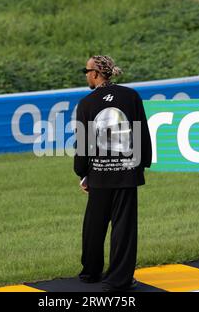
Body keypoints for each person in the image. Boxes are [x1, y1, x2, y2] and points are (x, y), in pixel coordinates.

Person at [74, 55, 152, 292]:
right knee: (123, 228)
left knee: (94, 225)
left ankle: (90, 272)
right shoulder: (131, 96)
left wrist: (82, 173)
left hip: (99, 173)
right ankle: (119, 278)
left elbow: (84, 143)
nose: (85, 75)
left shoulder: (87, 103)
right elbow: (142, 133)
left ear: (96, 74)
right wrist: (140, 165)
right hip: (127, 173)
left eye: (86, 71)